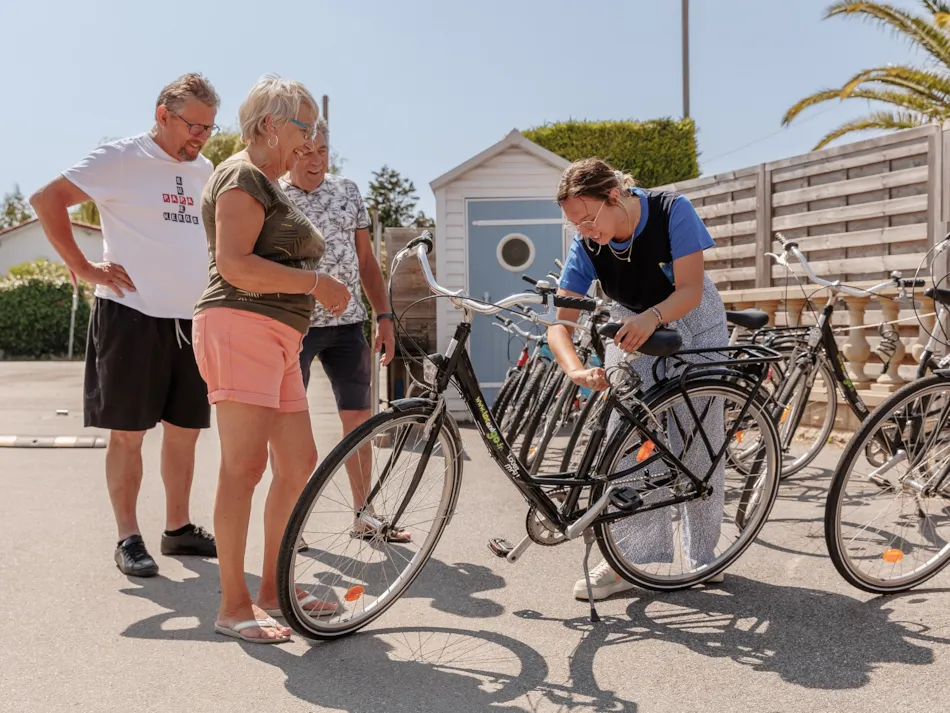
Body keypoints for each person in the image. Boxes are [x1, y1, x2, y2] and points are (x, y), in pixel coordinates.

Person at [30, 73, 222, 578]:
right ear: (162, 115)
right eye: (194, 126)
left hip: (191, 319)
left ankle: (178, 529)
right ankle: (128, 537)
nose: (202, 137)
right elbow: (46, 200)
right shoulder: (120, 157)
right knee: (129, 434)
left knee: (185, 432)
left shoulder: (205, 170)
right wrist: (85, 267)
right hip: (131, 316)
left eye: (209, 127)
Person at [193, 74, 352, 644]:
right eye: (305, 128)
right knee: (243, 468)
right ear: (271, 125)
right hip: (241, 326)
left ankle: (272, 591)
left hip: (278, 336)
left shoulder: (268, 183)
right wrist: (316, 282)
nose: (312, 141)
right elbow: (234, 264)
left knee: (297, 460)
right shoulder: (240, 175)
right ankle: (233, 606)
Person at [548, 157, 729, 601]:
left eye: (588, 219)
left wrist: (653, 317)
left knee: (700, 439)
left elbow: (690, 289)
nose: (584, 230)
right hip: (631, 325)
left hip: (695, 319)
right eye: (575, 224)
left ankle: (704, 556)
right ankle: (627, 561)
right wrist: (574, 369)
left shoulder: (672, 210)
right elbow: (560, 323)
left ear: (614, 196)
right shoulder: (587, 244)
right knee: (626, 440)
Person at [276, 119, 409, 543]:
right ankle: (288, 525)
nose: (315, 160)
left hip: (349, 326)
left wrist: (383, 316)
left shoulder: (348, 190)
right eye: (305, 151)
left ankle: (363, 514)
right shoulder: (273, 193)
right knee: (287, 428)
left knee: (359, 421)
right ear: (289, 150)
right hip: (295, 327)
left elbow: (366, 261)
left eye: (322, 151)